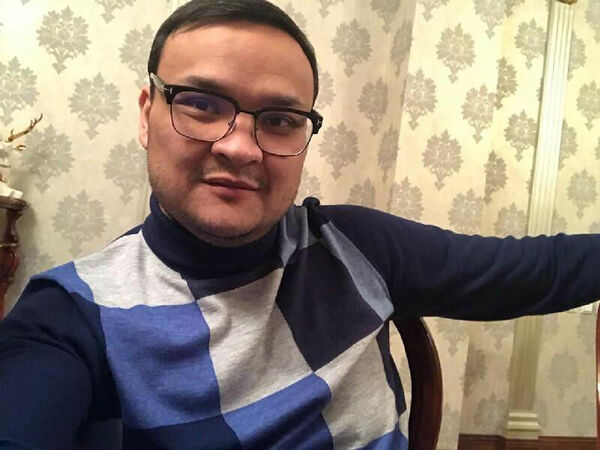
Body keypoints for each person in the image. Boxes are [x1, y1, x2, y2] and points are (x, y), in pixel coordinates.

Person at [0, 1, 599, 449]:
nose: (240, 147)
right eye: (201, 104)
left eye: (281, 119)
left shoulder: (355, 247)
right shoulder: (71, 316)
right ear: (146, 113)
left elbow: (536, 270)